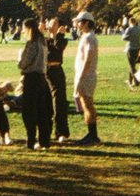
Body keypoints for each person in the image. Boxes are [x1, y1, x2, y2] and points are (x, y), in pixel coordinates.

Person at [17, 18, 52, 149]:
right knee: (42, 110)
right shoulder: (43, 42)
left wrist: (20, 63)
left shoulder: (32, 43)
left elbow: (25, 62)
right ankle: (44, 140)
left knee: (29, 111)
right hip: (42, 77)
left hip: (31, 78)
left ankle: (31, 139)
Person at [72, 11, 102, 146]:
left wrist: (81, 76)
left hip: (86, 75)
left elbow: (88, 58)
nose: (77, 24)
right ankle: (92, 134)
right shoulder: (86, 36)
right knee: (86, 104)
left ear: (86, 22)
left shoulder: (89, 37)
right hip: (85, 74)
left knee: (87, 104)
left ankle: (92, 135)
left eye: (79, 21)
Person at [44, 17, 72, 142]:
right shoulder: (44, 40)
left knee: (59, 102)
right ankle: (46, 131)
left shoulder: (62, 40)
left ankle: (61, 132)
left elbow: (58, 47)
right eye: (50, 23)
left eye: (54, 24)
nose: (51, 25)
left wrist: (59, 34)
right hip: (45, 72)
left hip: (56, 71)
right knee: (46, 103)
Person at [121, 15, 140, 87]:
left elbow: (124, 38)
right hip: (137, 47)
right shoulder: (139, 28)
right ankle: (130, 80)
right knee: (133, 65)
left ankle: (136, 80)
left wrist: (124, 34)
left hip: (130, 48)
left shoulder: (129, 29)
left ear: (130, 22)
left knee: (131, 66)